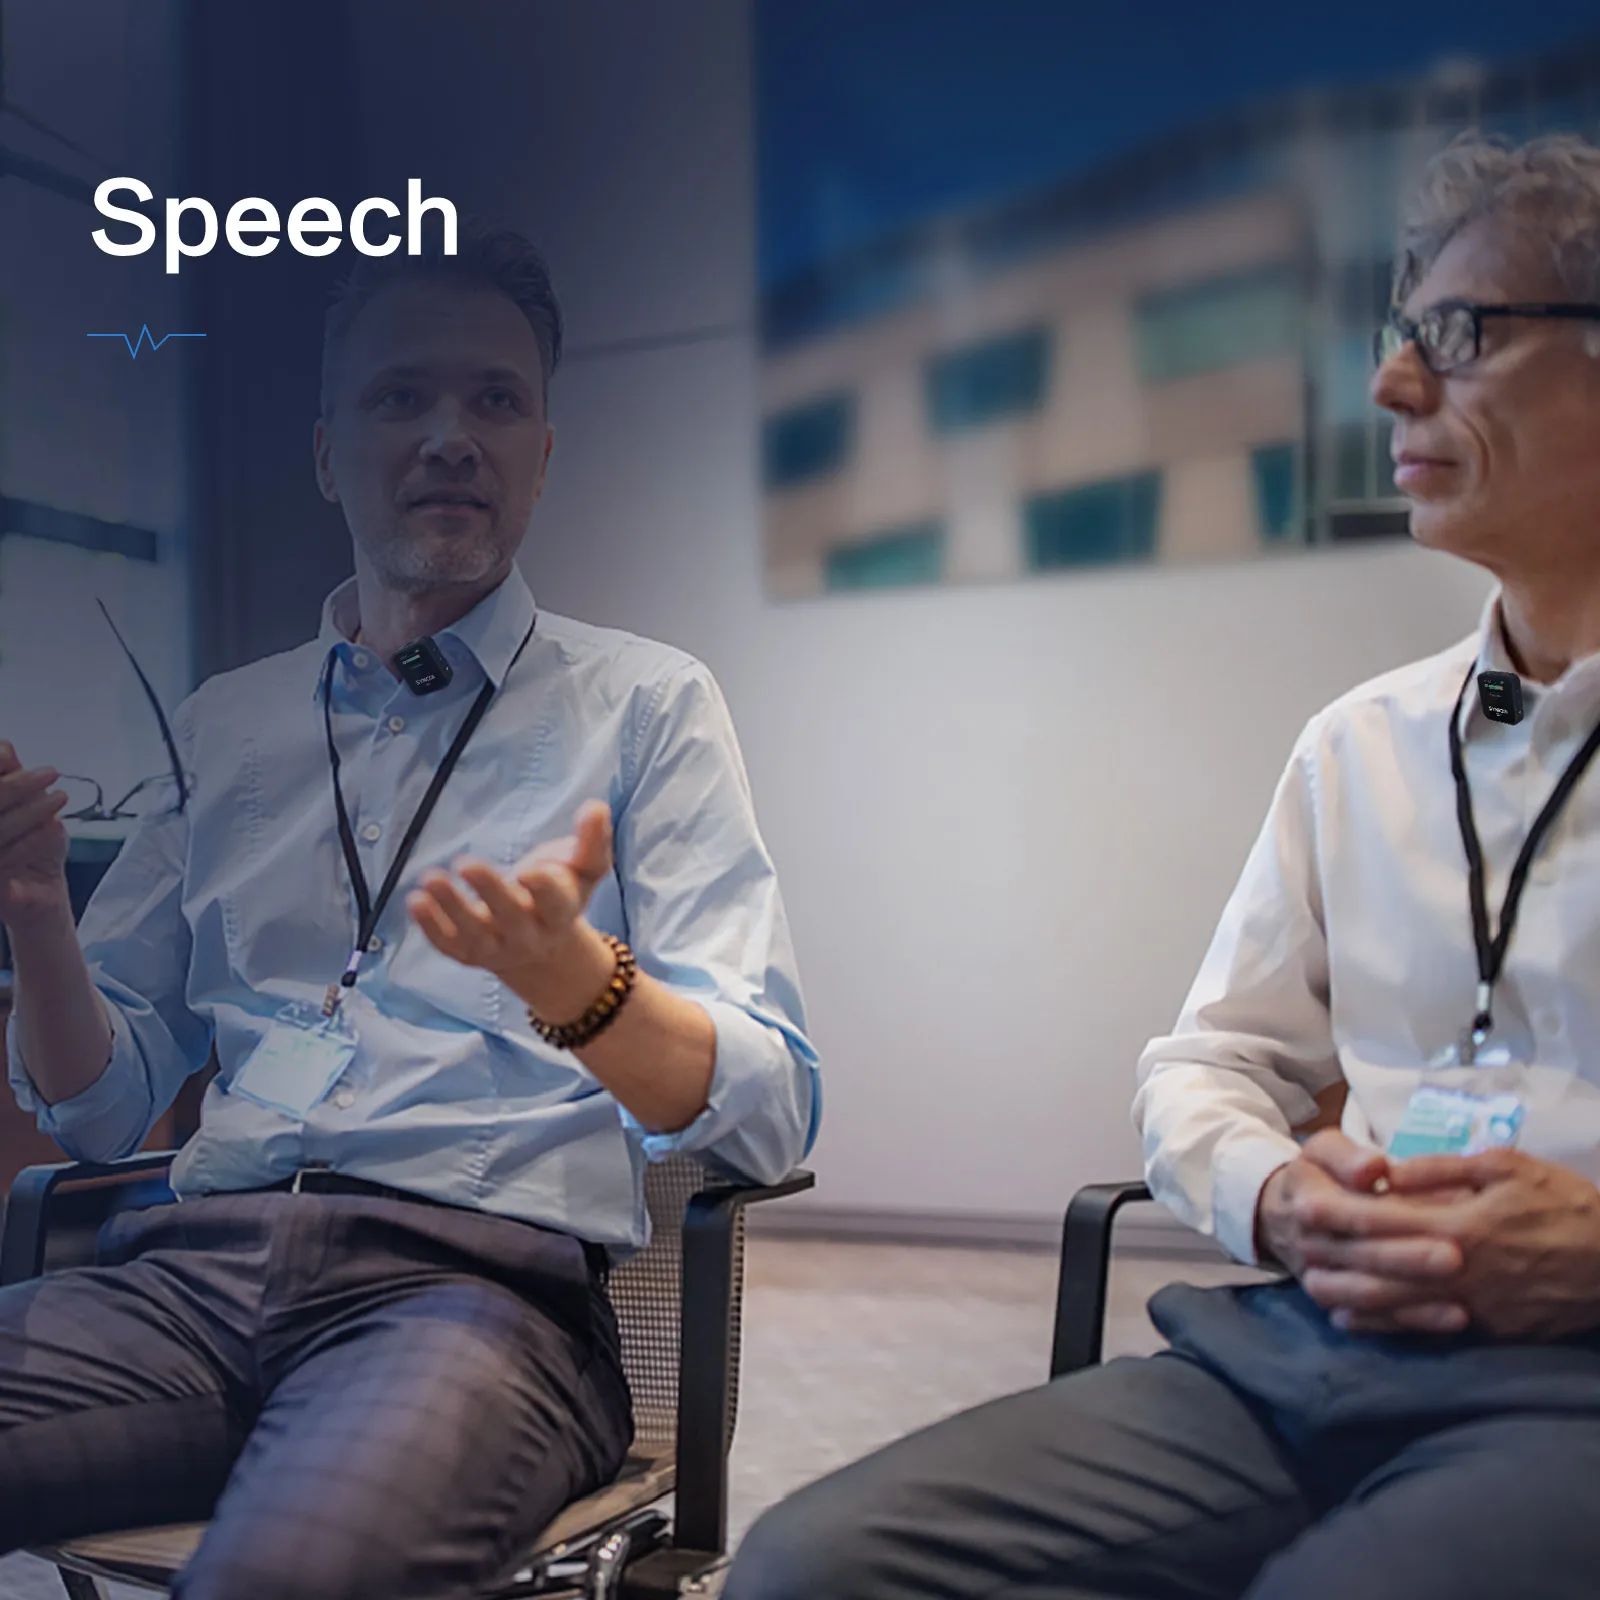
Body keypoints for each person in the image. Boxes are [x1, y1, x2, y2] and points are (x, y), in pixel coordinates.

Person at [725, 130, 1600, 1600]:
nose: (1392, 387)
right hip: (1316, 1345)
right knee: (810, 1569)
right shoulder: (1362, 747)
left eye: (1460, 336)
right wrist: (1279, 1197)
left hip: (1576, 1386)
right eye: (1400, 339)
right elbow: (1206, 1067)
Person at [0, 222, 818, 1599]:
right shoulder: (226, 726)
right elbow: (99, 1107)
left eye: (495, 398)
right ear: (329, 453)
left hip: (474, 1301)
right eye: (401, 396)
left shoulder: (645, 708)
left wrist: (590, 996)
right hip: (185, 1287)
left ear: (541, 454)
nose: (451, 436)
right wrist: (34, 915)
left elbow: (772, 1109)